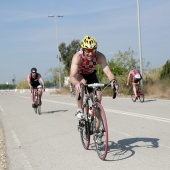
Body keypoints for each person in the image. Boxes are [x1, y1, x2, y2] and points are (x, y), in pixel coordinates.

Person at [69, 35, 117, 120]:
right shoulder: (77, 57)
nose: (90, 53)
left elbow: (108, 72)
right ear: (83, 50)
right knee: (82, 83)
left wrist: (113, 81)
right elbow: (72, 76)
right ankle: (79, 109)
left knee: (98, 98)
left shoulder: (99, 56)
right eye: (88, 51)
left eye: (93, 50)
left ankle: (97, 129)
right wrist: (76, 83)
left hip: (91, 75)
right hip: (80, 74)